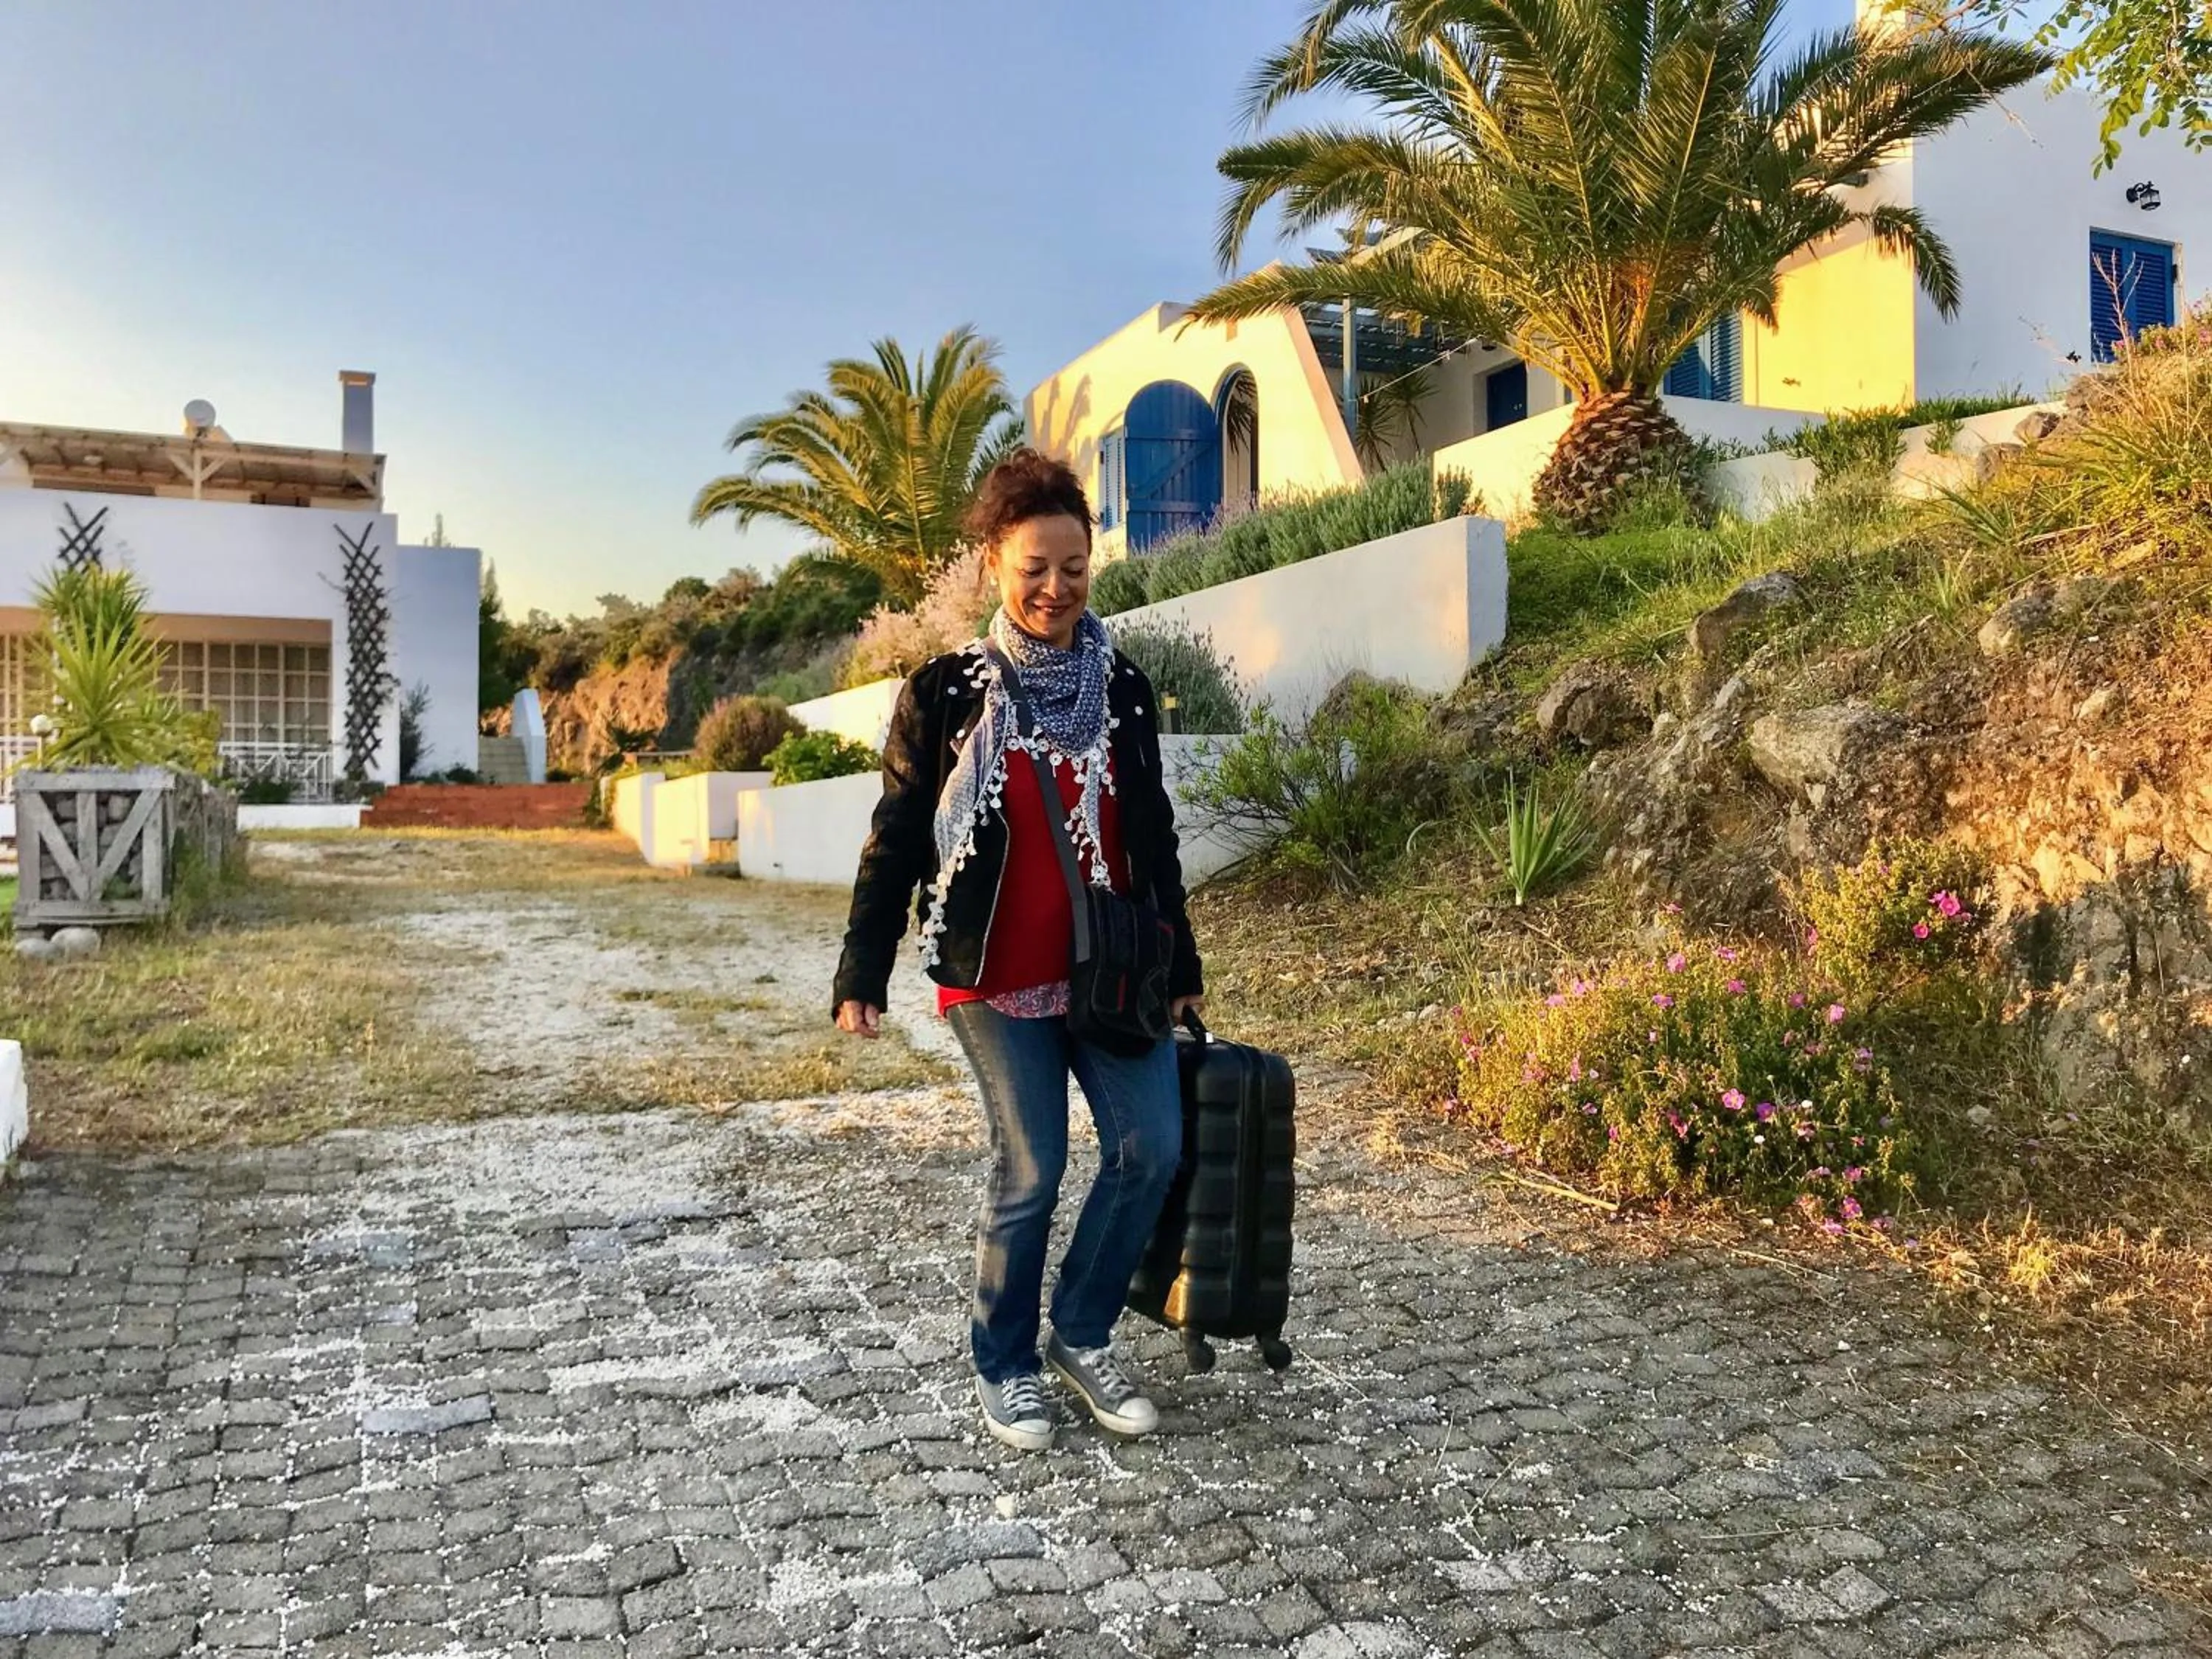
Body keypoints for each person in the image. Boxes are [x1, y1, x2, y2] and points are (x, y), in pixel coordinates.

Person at [831, 448, 1204, 1453]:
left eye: (1073, 566)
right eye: (1034, 566)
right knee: (1032, 1164)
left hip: (1114, 969)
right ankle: (1005, 1362)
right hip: (993, 974)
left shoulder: (1121, 684)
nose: (1055, 587)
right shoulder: (946, 689)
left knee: (1151, 1147)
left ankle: (1080, 1333)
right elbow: (900, 834)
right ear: (995, 561)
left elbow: (1154, 833)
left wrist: (1183, 972)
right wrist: (861, 972)